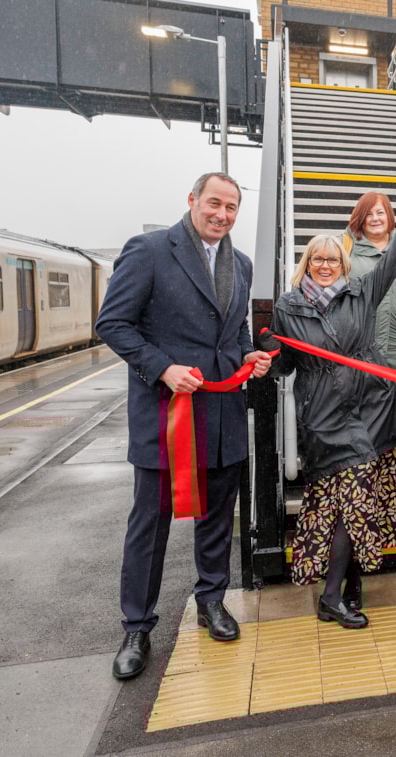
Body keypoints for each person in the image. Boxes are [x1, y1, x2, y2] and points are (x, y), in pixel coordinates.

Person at [96, 172, 273, 680]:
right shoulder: (149, 250)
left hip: (222, 415)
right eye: (214, 203)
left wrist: (249, 357)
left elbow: (234, 332)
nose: (222, 214)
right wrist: (162, 368)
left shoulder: (240, 263)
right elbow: (113, 323)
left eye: (232, 208)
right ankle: (137, 627)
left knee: (218, 518)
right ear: (192, 200)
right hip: (165, 414)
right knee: (148, 526)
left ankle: (211, 601)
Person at [267, 171, 396, 629]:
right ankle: (333, 595)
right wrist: (265, 354)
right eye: (316, 259)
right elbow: (284, 364)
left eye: (332, 258)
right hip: (325, 416)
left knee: (362, 501)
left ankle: (346, 590)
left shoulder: (362, 291)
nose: (324, 265)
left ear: (344, 262)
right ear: (306, 263)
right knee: (341, 503)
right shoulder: (288, 306)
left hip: (372, 409)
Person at [339, 191, 396, 422]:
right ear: (360, 218)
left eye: (380, 212)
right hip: (358, 343)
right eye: (368, 214)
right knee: (361, 409)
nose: (375, 218)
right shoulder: (344, 250)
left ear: (390, 216)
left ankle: (392, 458)